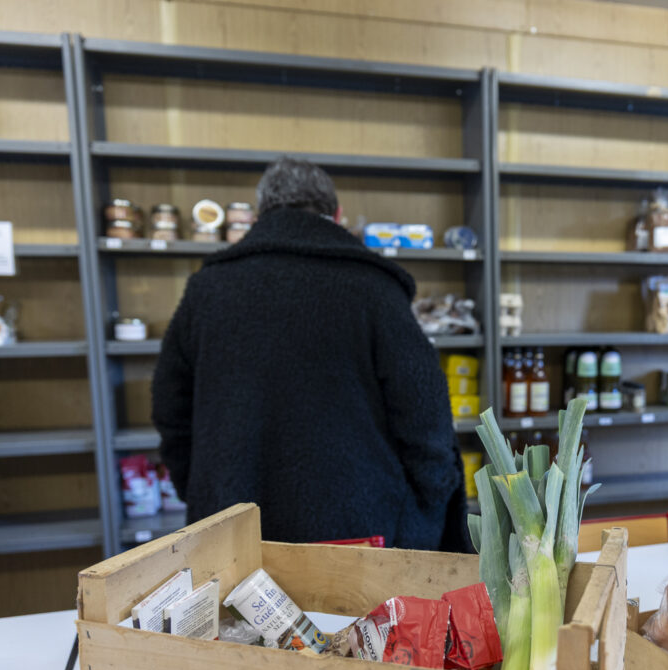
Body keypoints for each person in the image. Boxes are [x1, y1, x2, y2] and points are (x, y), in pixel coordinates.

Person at [152, 156, 465, 550]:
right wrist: (428, 505)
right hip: (358, 526)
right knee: (354, 616)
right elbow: (426, 413)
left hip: (232, 531)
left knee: (238, 615)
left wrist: (202, 487)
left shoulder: (207, 290)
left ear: (261, 216)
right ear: (336, 214)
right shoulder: (374, 289)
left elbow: (169, 408)